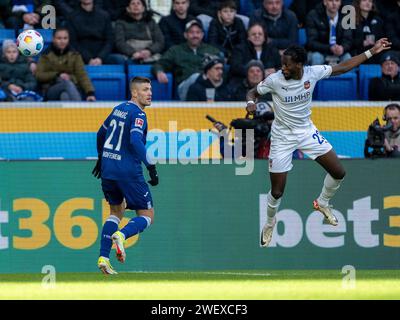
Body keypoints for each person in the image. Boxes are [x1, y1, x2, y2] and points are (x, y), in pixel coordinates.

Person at [246, 38, 391, 247]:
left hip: (306, 132)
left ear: (299, 65)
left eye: (287, 64)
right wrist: (251, 102)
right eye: (282, 64)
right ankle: (269, 222)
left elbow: (342, 67)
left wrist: (371, 52)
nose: (283, 68)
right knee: (277, 191)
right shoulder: (274, 80)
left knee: (339, 172)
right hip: (282, 137)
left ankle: (323, 202)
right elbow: (253, 92)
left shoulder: (313, 73)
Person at [93, 76, 159, 275]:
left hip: (108, 169)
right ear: (134, 93)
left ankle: (104, 258)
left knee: (115, 212)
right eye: (145, 90)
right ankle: (121, 235)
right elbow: (135, 141)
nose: (150, 93)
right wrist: (151, 166)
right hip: (128, 171)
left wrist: (100, 158)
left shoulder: (117, 109)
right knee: (147, 215)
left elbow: (100, 133)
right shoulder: (139, 114)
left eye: (150, 90)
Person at [152, 18, 221, 101]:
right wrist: (159, 72)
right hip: (185, 87)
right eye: (191, 32)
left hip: (208, 87)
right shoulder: (176, 50)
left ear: (202, 35)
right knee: (196, 77)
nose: (195, 35)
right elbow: (160, 64)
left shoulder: (212, 50)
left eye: (198, 32)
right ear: (185, 35)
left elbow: (221, 68)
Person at [36, 27, 96, 101]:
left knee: (65, 96)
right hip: (51, 89)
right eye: (59, 38)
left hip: (73, 88)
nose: (62, 41)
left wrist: (90, 93)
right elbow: (39, 75)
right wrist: (57, 75)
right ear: (53, 39)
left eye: (65, 38)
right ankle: (80, 109)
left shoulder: (75, 55)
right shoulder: (45, 55)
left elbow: (82, 75)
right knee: (67, 84)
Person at [114, 0, 165, 64]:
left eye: (138, 3)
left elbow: (160, 41)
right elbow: (119, 42)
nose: (136, 5)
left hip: (149, 54)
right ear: (128, 9)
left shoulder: (151, 22)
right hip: (129, 55)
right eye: (133, 3)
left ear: (143, 8)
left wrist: (149, 51)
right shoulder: (121, 23)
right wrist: (133, 53)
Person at [67, 0, 115, 65]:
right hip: (81, 54)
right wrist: (88, 58)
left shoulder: (104, 15)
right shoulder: (72, 17)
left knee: (119, 60)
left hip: (102, 54)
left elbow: (109, 40)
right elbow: (73, 42)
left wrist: (100, 57)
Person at [306, 0, 353, 65]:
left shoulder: (346, 16)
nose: (334, 3)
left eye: (337, 0)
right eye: (331, 0)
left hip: (339, 53)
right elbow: (311, 42)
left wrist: (342, 48)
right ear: (325, 2)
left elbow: (348, 40)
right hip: (320, 52)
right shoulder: (313, 15)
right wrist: (329, 48)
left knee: (348, 58)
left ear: (340, 2)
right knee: (316, 57)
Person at [351, 0, 385, 64]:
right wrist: (362, 43)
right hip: (357, 52)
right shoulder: (351, 19)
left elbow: (383, 36)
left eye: (370, 1)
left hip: (375, 52)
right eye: (364, 0)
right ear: (358, 3)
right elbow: (348, 40)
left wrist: (377, 43)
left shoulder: (378, 19)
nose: (367, 3)